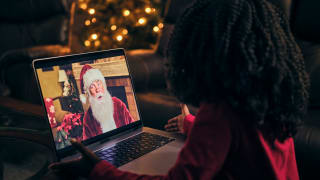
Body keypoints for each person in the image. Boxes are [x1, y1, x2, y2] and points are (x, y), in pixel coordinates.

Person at [48, 0, 309, 179]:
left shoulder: (220, 111)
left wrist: (97, 170)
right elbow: (239, 145)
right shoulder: (266, 98)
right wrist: (191, 125)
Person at [79, 64, 134, 140]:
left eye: (99, 84)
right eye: (92, 86)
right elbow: (90, 146)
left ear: (103, 85)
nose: (98, 89)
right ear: (88, 92)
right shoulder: (88, 118)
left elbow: (133, 127)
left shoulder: (118, 103)